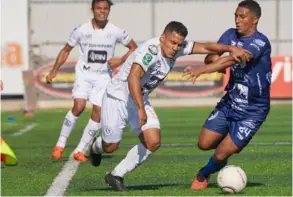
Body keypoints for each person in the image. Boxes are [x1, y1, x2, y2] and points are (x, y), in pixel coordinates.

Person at [89, 21, 251, 191]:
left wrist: (230, 49)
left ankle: (115, 175)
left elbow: (205, 47)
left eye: (179, 44)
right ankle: (97, 146)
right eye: (172, 43)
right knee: (111, 146)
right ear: (162, 38)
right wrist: (140, 108)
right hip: (117, 98)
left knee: (153, 142)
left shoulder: (177, 47)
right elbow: (133, 77)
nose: (176, 48)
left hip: (139, 97)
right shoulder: (150, 52)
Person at [183, 0, 272, 190]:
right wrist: (213, 58)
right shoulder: (229, 34)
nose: (237, 20)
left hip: (253, 111)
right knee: (204, 144)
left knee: (222, 153)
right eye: (236, 16)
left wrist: (204, 69)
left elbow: (233, 59)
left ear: (254, 20)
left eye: (242, 17)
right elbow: (213, 54)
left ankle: (203, 174)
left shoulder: (260, 42)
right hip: (229, 103)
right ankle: (222, 155)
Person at [46, 0, 137, 162]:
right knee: (79, 106)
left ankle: (80, 150)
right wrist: (54, 71)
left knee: (98, 112)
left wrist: (120, 60)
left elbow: (134, 47)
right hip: (84, 75)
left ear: (109, 10)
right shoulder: (81, 30)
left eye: (105, 9)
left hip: (103, 77)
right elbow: (66, 50)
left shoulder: (116, 31)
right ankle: (60, 144)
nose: (102, 11)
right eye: (99, 8)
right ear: (92, 9)